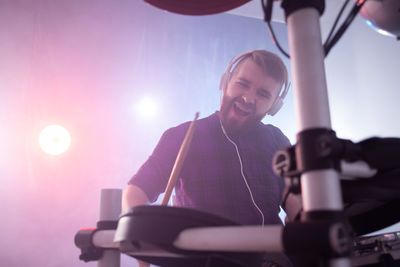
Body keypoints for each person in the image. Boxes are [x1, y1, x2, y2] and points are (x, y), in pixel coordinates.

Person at [122, 50, 292, 267]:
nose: (249, 98)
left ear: (274, 107)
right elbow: (137, 189)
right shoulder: (182, 135)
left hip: (273, 259)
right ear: (225, 83)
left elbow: (295, 198)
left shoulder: (276, 139)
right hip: (205, 260)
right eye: (243, 84)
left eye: (263, 94)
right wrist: (140, 237)